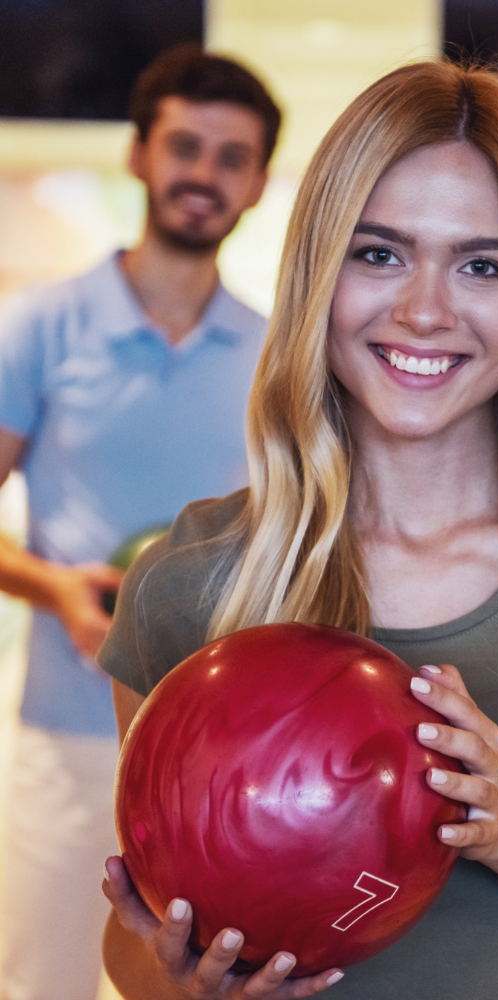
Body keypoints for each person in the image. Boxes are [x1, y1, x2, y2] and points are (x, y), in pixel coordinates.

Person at [98, 61, 498, 1000]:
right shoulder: (195, 579)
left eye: (482, 265)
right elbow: (132, 950)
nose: (424, 310)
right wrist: (186, 982)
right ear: (318, 273)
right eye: (379, 254)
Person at [0, 45, 280, 1000]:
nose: (204, 173)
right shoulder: (38, 326)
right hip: (71, 734)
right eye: (185, 146)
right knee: (48, 981)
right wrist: (58, 589)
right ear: (138, 155)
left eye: (231, 156)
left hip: (224, 759)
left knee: (189, 990)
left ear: (259, 181)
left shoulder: (278, 356)